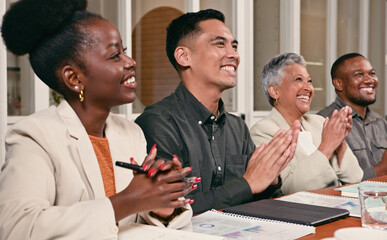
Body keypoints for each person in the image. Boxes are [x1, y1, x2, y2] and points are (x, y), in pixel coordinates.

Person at [0, 0, 196, 239]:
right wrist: (128, 200)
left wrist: (160, 201)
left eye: (125, 51)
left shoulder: (130, 132)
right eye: (115, 55)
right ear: (74, 78)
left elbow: (137, 221)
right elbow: (17, 228)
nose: (130, 62)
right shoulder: (35, 136)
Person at [135, 9, 300, 214]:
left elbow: (261, 199)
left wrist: (271, 179)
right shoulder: (157, 123)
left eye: (235, 46)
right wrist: (247, 183)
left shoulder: (237, 127)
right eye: (220, 44)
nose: (234, 55)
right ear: (184, 56)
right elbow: (173, 209)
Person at [250, 53, 363, 194]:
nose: (308, 88)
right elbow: (287, 190)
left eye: (309, 81)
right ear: (274, 91)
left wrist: (340, 141)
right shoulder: (263, 131)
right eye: (298, 79)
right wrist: (327, 146)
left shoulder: (320, 122)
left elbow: (355, 178)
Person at [318, 53, 387, 179]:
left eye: (372, 73)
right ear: (339, 84)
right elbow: (327, 181)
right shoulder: (324, 122)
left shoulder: (381, 123)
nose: (369, 80)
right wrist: (383, 169)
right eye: (358, 74)